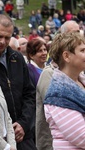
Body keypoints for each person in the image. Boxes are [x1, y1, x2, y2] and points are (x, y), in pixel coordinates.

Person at [0, 14, 36, 150]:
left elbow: (29, 94)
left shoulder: (17, 57)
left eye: (7, 38)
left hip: (23, 136)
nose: (3, 41)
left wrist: (23, 124)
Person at [36, 20, 80, 150]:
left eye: (79, 32)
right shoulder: (50, 74)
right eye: (74, 33)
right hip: (54, 144)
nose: (79, 37)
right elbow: (59, 113)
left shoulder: (79, 75)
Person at [44, 32, 85, 149]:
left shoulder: (80, 81)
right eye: (82, 51)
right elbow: (82, 137)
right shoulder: (58, 94)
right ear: (66, 56)